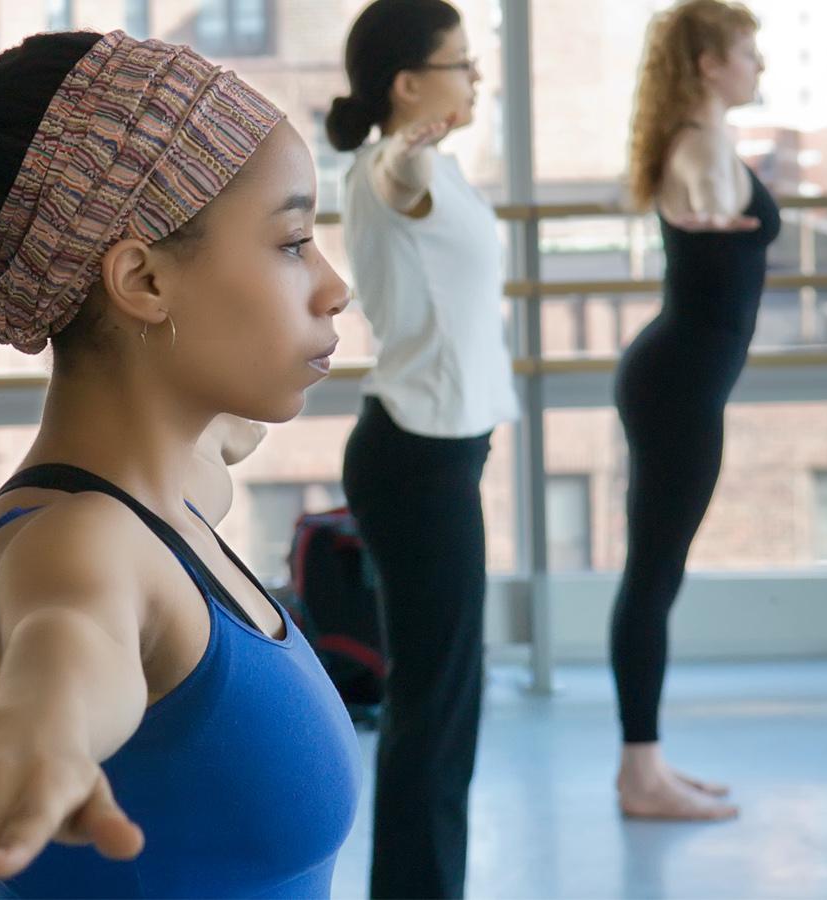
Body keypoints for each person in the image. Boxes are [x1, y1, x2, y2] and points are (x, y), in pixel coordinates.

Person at [0, 29, 359, 897]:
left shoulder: (172, 487)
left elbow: (221, 444)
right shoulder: (80, 541)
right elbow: (72, 637)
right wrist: (37, 739)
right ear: (143, 279)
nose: (333, 285)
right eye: (291, 244)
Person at [324, 2, 520, 896]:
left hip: (435, 454)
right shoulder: (390, 169)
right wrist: (409, 146)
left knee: (444, 707)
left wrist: (421, 146)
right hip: (418, 457)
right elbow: (399, 175)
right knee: (435, 711)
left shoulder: (429, 166)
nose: (474, 78)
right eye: (461, 64)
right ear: (409, 84)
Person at [609, 0, 778, 821]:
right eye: (748, 52)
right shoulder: (702, 145)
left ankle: (648, 765)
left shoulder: (704, 139)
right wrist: (716, 226)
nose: (759, 66)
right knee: (652, 575)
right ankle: (641, 774)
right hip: (677, 385)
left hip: (678, 379)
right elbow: (706, 221)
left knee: (657, 574)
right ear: (710, 64)